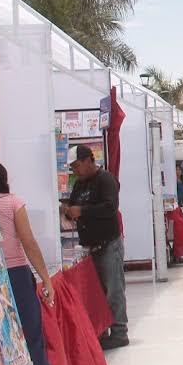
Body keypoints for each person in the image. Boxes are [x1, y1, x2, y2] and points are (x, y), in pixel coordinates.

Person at [0, 160, 91, 365]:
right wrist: (45, 279)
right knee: (32, 341)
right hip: (16, 274)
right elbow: (28, 242)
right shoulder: (13, 203)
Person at [62, 144, 130, 348]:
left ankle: (119, 331)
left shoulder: (105, 179)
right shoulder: (79, 184)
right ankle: (101, 330)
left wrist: (82, 211)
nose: (75, 171)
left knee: (114, 289)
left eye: (77, 166)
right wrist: (68, 211)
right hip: (90, 247)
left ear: (88, 160)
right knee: (97, 291)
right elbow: (74, 205)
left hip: (108, 243)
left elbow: (110, 207)